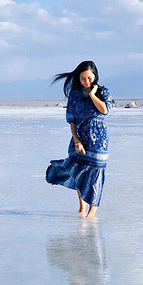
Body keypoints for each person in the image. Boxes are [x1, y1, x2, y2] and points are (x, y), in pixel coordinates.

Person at [46, 60, 112, 218]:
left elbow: (105, 110)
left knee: (96, 174)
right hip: (79, 138)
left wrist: (92, 95)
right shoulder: (74, 94)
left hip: (99, 141)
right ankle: (82, 207)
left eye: (89, 78)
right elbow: (72, 120)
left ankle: (91, 214)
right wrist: (76, 141)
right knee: (78, 171)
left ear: (95, 76)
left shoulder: (103, 92)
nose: (86, 81)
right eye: (83, 78)